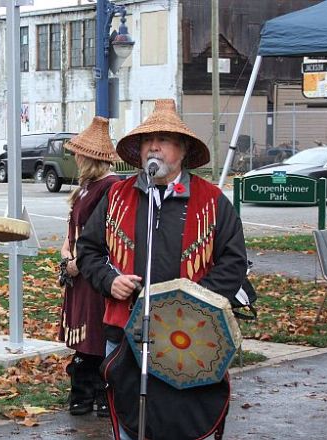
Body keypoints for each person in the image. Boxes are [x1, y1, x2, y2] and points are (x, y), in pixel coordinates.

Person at [76, 99, 248, 440]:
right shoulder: (116, 196)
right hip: (125, 333)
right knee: (131, 422)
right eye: (147, 140)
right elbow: (88, 251)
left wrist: (192, 301)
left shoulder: (212, 201)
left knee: (183, 426)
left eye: (164, 139)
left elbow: (234, 263)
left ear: (182, 150)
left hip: (190, 338)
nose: (153, 146)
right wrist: (110, 280)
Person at [58, 116, 120, 417]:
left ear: (89, 156)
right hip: (78, 271)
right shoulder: (86, 186)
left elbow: (107, 237)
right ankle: (83, 394)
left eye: (79, 153)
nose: (75, 157)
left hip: (95, 273)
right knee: (83, 337)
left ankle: (102, 395)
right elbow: (74, 227)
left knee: (96, 334)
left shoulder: (111, 187)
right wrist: (66, 253)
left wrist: (79, 264)